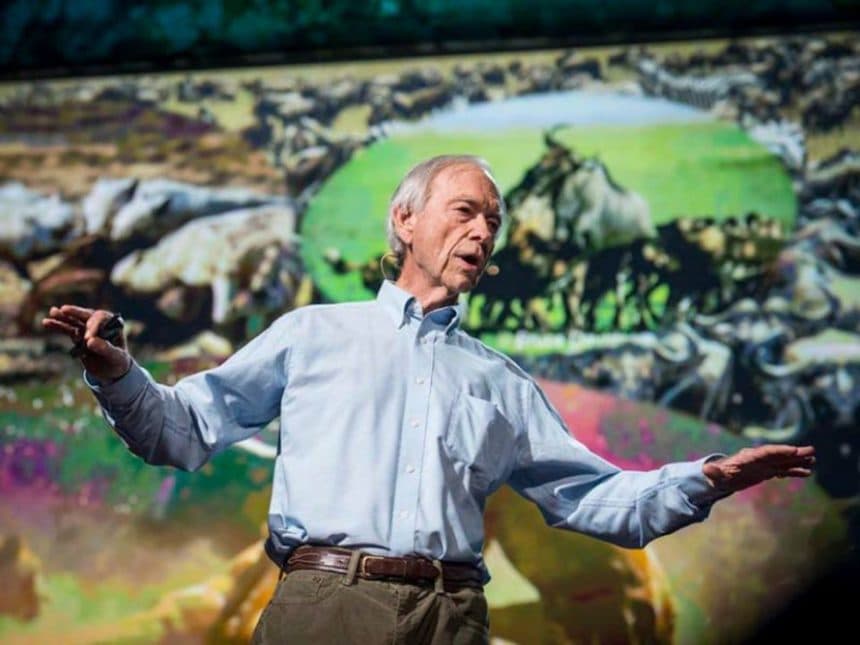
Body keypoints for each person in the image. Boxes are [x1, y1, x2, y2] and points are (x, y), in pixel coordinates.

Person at [43, 155, 815, 644]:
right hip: (328, 608)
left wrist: (710, 478)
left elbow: (597, 498)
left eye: (495, 221)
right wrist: (117, 372)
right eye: (466, 211)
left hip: (454, 616)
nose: (484, 231)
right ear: (404, 221)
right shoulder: (314, 334)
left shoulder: (500, 381)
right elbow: (179, 430)